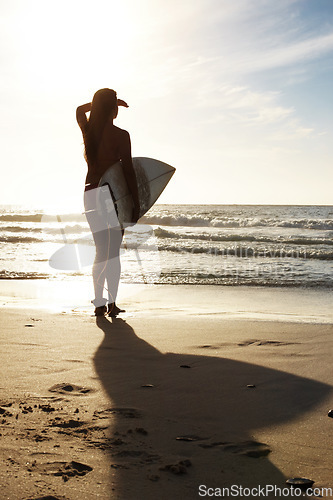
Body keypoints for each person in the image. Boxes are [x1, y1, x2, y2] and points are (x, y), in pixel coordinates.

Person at [76, 88, 140, 317]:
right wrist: (136, 201)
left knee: (100, 250)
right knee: (113, 253)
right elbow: (129, 172)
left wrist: (100, 104)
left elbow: (79, 110)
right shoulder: (121, 135)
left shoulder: (89, 133)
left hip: (91, 193)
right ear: (113, 108)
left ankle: (99, 304)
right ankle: (112, 303)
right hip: (111, 196)